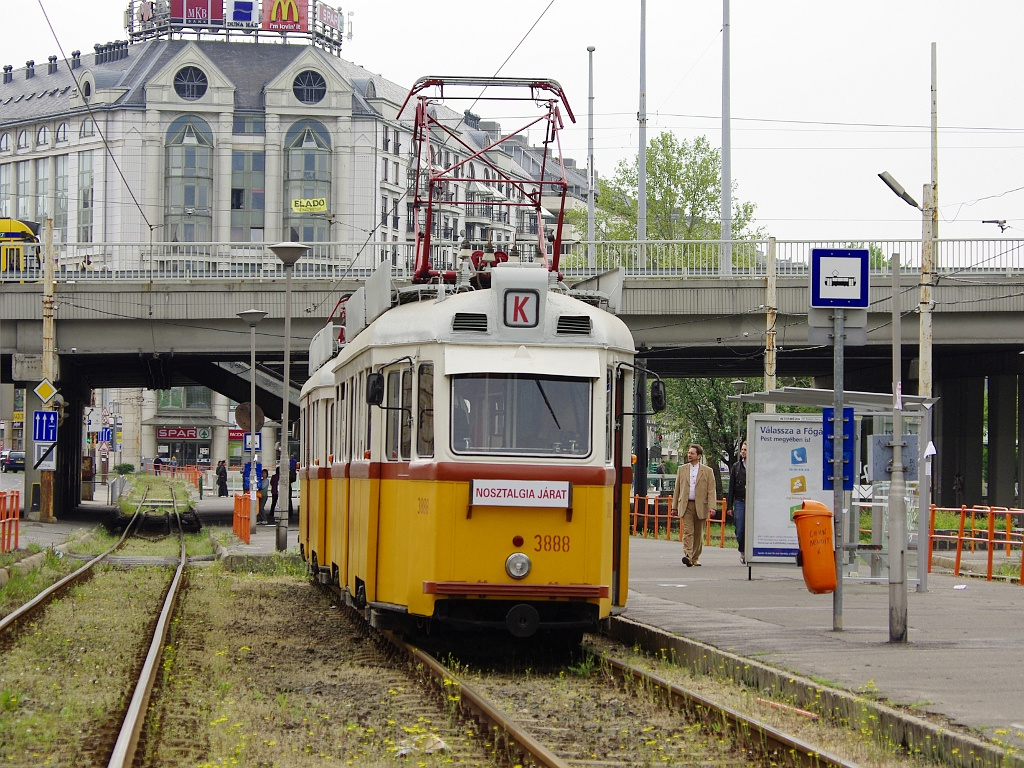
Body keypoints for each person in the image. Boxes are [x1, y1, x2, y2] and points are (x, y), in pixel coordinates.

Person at [670, 443, 717, 567]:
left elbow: (711, 490)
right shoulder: (682, 469)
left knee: (698, 533)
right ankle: (688, 556)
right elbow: (677, 489)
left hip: (701, 505)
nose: (689, 455)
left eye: (692, 453)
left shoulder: (707, 471)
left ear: (699, 456)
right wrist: (674, 507)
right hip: (686, 505)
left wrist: (712, 506)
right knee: (688, 531)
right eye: (689, 453)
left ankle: (695, 557)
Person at [727, 441, 748, 564]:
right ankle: (742, 550)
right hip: (740, 501)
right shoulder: (736, 467)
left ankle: (750, 552)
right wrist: (730, 505)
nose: (743, 452)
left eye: (745, 450)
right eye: (742, 450)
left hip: (752, 501)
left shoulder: (755, 466)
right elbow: (731, 488)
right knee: (740, 528)